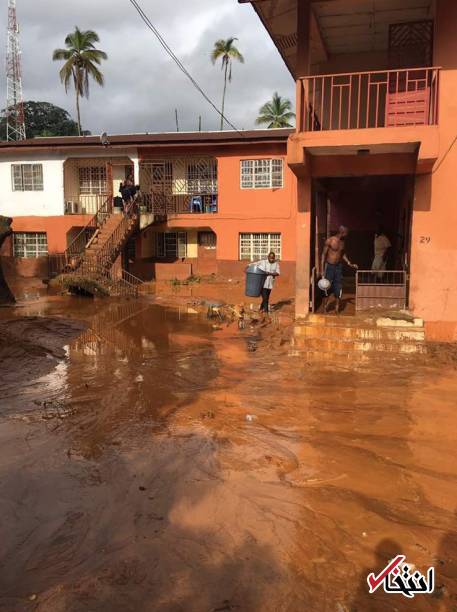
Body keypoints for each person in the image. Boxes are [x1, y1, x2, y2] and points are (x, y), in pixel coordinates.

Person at [320, 225, 358, 314]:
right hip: (329, 266)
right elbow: (323, 255)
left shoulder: (343, 242)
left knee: (338, 286)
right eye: (346, 233)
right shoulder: (330, 240)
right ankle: (325, 307)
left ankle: (337, 309)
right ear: (343, 232)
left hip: (338, 267)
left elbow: (342, 254)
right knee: (326, 286)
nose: (347, 235)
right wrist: (322, 269)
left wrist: (349, 263)